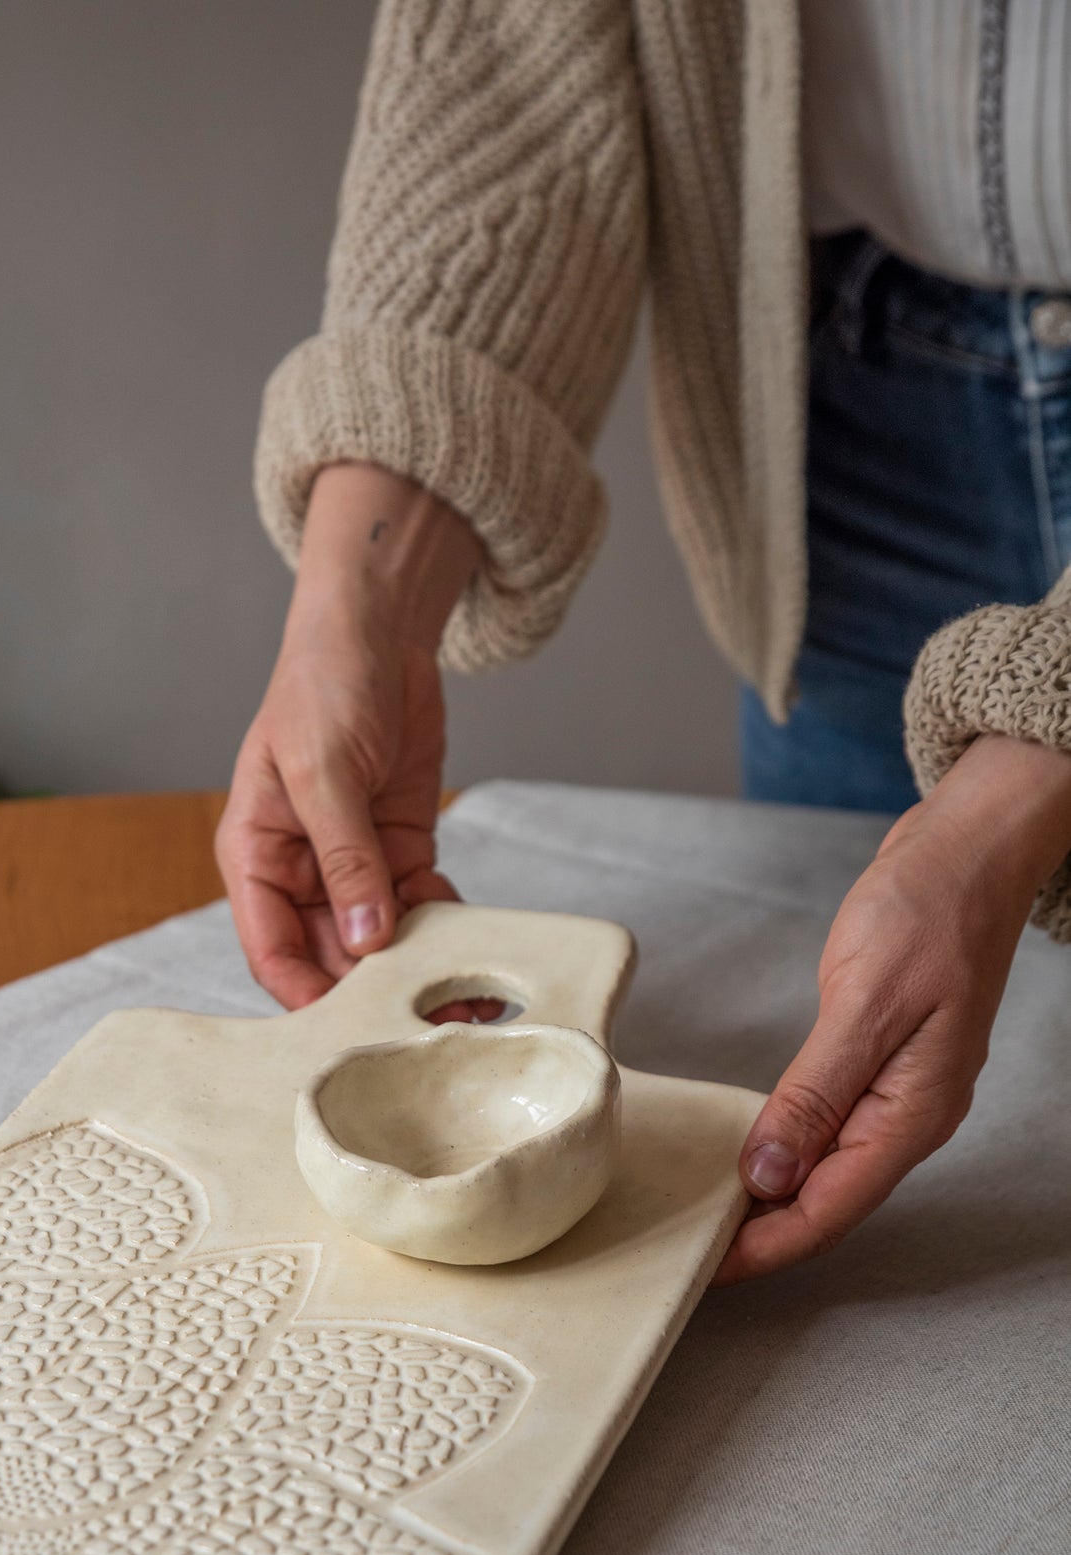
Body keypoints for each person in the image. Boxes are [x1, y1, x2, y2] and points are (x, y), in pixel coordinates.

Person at [216, 0, 1071, 1282]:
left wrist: (1022, 781)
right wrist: (361, 603)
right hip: (846, 432)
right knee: (863, 1063)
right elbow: (506, 61)